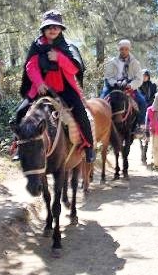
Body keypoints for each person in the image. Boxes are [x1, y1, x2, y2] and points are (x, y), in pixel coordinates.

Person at [12, 10, 95, 163]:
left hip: (65, 89)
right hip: (41, 89)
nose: (53, 29)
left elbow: (74, 69)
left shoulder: (68, 47)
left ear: (61, 29)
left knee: (81, 113)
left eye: (56, 27)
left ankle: (89, 147)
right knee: (20, 112)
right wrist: (39, 83)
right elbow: (31, 67)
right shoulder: (37, 46)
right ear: (44, 28)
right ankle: (18, 145)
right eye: (49, 26)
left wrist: (59, 58)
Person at [100, 39, 147, 133]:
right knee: (101, 100)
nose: (124, 51)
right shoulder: (112, 62)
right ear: (119, 50)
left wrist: (131, 85)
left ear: (129, 50)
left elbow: (139, 79)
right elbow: (108, 76)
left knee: (142, 101)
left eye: (126, 49)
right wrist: (115, 83)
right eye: (122, 49)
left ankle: (140, 126)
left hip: (129, 85)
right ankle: (99, 125)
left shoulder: (135, 63)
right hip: (113, 85)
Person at [145, 104, 158, 170]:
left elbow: (147, 121)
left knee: (156, 148)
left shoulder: (149, 109)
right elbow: (147, 121)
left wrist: (146, 130)